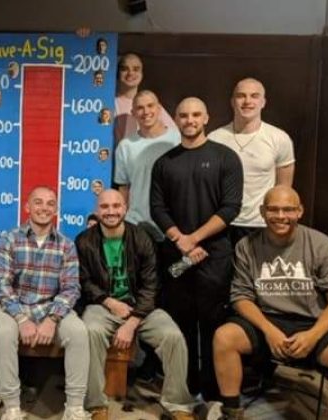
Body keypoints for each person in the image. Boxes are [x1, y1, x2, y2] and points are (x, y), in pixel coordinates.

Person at [213, 186, 328, 420]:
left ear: (299, 211)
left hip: (313, 323)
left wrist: (312, 335)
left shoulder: (322, 245)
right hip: (267, 319)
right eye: (273, 209)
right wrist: (269, 330)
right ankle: (231, 413)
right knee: (224, 337)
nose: (281, 216)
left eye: (288, 209)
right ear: (262, 212)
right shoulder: (247, 246)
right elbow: (241, 297)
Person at [150, 97, 243, 399]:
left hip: (214, 257)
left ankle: (215, 394)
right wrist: (181, 241)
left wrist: (195, 238)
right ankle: (185, 390)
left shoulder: (226, 158)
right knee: (181, 323)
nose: (189, 120)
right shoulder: (164, 163)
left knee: (214, 324)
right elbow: (157, 208)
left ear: (206, 118)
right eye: (183, 115)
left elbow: (231, 207)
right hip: (177, 257)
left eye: (195, 115)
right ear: (176, 119)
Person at [77, 190, 196, 420]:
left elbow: (151, 286)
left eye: (116, 206)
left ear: (125, 208)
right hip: (103, 305)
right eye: (104, 207)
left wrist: (132, 323)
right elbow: (84, 281)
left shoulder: (142, 238)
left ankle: (177, 404)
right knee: (90, 331)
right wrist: (109, 302)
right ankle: (96, 404)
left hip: (140, 306)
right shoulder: (84, 240)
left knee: (172, 336)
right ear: (96, 211)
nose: (111, 211)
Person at [0, 187, 90, 420]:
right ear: (27, 207)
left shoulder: (66, 245)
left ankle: (75, 408)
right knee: (3, 333)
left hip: (51, 307)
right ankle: (12, 407)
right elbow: (0, 283)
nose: (44, 208)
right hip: (15, 306)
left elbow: (71, 288)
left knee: (78, 332)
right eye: (38, 202)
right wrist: (21, 318)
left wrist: (52, 319)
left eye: (50, 204)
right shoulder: (10, 239)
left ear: (56, 210)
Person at [208, 78, 295, 246]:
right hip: (221, 224)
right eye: (241, 96)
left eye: (254, 96)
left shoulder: (279, 138)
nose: (247, 101)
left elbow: (283, 191)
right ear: (232, 102)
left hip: (260, 225)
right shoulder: (215, 138)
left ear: (263, 102)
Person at [115, 90, 180, 242]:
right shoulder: (126, 146)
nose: (146, 112)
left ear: (159, 109)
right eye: (140, 108)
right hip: (137, 224)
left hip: (173, 226)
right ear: (133, 113)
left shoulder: (178, 140)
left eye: (150, 106)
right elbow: (123, 188)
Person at [114, 53, 175, 144]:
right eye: (124, 69)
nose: (130, 73)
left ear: (141, 74)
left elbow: (173, 135)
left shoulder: (151, 104)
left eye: (136, 69)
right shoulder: (110, 102)